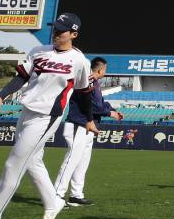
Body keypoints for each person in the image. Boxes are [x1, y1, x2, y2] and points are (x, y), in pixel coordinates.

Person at [0, 13, 94, 219]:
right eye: (55, 28)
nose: (56, 33)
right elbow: (21, 77)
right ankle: (54, 203)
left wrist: (89, 119)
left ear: (74, 34)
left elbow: (84, 93)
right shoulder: (38, 51)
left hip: (47, 117)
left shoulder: (80, 61)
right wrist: (1, 95)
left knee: (13, 164)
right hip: (26, 112)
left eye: (61, 31)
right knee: (33, 160)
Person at [53, 57, 124, 206]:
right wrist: (110, 113)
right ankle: (56, 196)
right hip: (79, 124)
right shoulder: (89, 80)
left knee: (82, 162)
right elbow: (95, 106)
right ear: (100, 69)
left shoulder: (94, 82)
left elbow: (100, 104)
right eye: (105, 69)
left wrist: (111, 110)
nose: (105, 71)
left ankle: (76, 195)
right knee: (71, 161)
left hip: (88, 126)